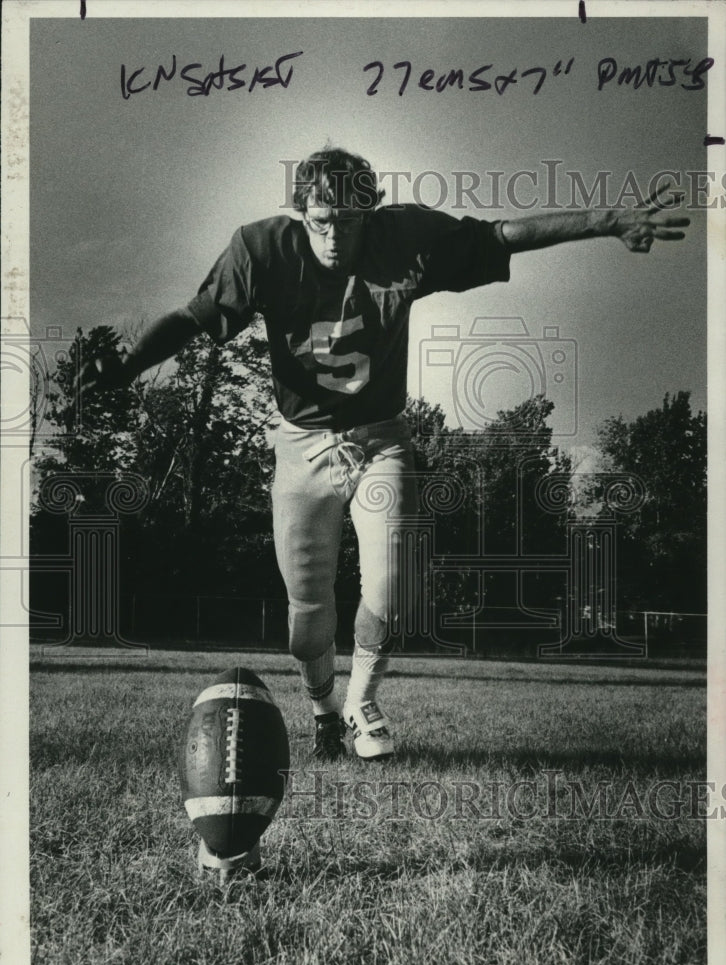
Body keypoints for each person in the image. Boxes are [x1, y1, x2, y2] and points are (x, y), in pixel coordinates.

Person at [79, 146, 688, 769]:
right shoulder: (261, 249)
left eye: (348, 220)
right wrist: (129, 366)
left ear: (370, 211)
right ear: (299, 213)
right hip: (300, 445)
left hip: (380, 437)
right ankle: (321, 708)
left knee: (394, 588)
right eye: (321, 221)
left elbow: (505, 234)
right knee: (306, 616)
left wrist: (609, 220)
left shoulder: (405, 237)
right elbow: (193, 317)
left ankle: (362, 702)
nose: (335, 235)